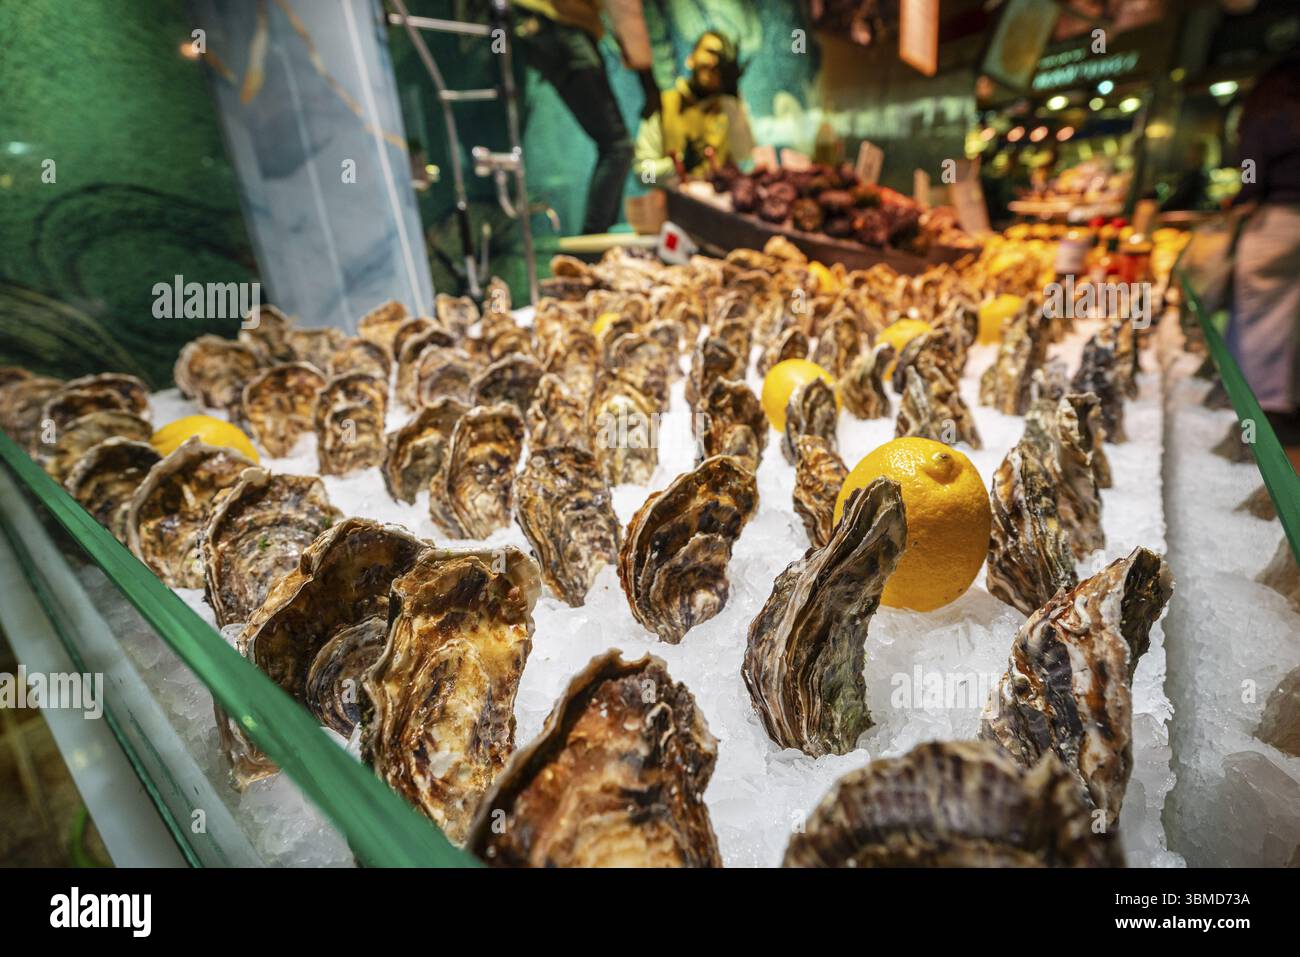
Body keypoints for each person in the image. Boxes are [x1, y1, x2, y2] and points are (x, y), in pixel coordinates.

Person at [511, 0, 656, 234]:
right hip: (559, 26)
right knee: (618, 147)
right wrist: (648, 81)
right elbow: (625, 8)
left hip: (529, 25)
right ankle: (593, 248)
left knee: (617, 148)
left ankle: (598, 243)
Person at [1228, 55, 1300, 456]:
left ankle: (1260, 419)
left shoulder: (1271, 110)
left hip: (1279, 222)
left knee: (1262, 318)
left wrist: (1245, 199)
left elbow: (1251, 165)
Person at [634, 30, 754, 184]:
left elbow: (744, 155)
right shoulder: (664, 103)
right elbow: (642, 176)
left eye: (721, 58)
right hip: (674, 204)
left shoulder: (728, 108)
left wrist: (734, 97)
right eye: (710, 52)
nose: (713, 62)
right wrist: (677, 165)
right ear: (690, 59)